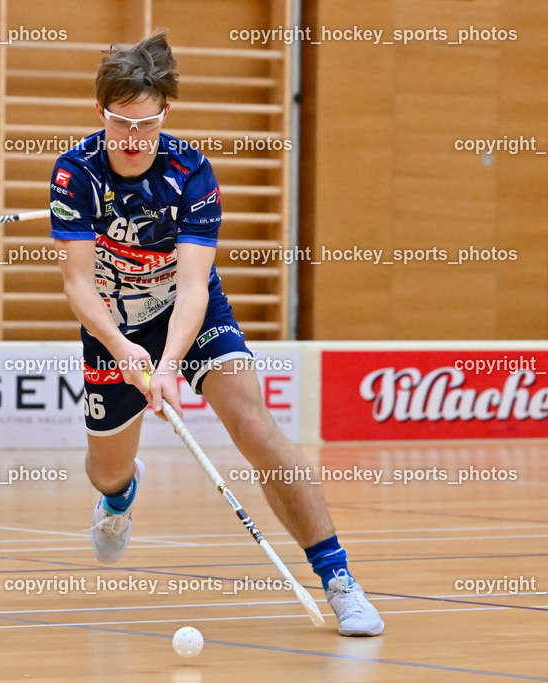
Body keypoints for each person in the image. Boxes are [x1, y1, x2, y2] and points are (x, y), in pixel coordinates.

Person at [50, 31, 383, 636]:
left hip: (188, 315)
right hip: (112, 326)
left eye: (147, 125)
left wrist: (169, 364)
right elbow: (77, 285)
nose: (133, 140)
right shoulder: (75, 173)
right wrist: (125, 350)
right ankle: (121, 499)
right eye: (122, 124)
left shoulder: (190, 171)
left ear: (165, 114)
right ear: (101, 111)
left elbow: (195, 285)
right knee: (107, 470)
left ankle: (340, 580)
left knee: (255, 425)